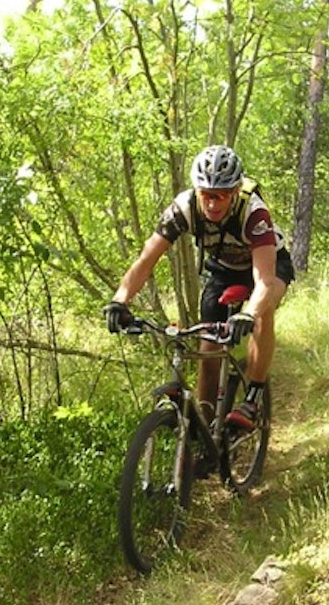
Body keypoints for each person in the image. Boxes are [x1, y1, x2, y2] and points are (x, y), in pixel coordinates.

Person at [103, 144, 294, 434]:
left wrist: (248, 313)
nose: (213, 204)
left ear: (234, 192)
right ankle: (204, 433)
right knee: (208, 348)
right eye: (207, 195)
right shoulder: (184, 208)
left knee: (262, 312)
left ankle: (253, 397)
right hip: (223, 269)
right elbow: (146, 260)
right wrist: (120, 300)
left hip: (268, 266)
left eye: (221, 196)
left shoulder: (254, 213)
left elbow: (265, 281)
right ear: (197, 191)